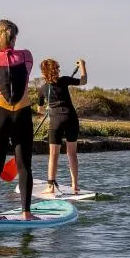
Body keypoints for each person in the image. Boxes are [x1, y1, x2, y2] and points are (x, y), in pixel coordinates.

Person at [0, 19, 35, 220]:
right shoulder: (27, 57)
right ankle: (26, 213)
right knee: (24, 165)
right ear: (14, 37)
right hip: (22, 114)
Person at [37, 58, 88, 194]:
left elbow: (40, 110)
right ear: (56, 70)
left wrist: (47, 109)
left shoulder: (42, 89)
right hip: (71, 118)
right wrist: (82, 66)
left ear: (44, 73)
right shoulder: (65, 80)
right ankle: (75, 185)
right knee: (72, 153)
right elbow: (83, 81)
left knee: (54, 154)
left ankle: (50, 186)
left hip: (56, 121)